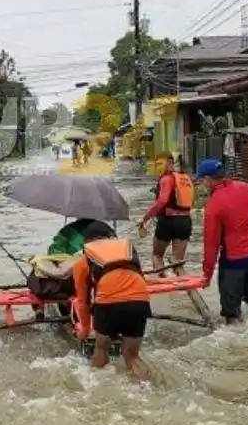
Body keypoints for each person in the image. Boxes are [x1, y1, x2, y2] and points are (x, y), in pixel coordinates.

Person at [72, 229, 151, 381]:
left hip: (108, 303)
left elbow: (82, 302)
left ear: (87, 245)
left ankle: (96, 387)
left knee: (101, 348)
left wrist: (86, 329)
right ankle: (146, 388)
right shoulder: (128, 252)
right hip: (139, 301)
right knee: (132, 356)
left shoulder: (82, 261)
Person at [195, 158, 248, 326]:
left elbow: (211, 244)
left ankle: (236, 347)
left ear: (209, 179)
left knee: (231, 312)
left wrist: (207, 274)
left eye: (201, 180)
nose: (202, 185)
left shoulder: (214, 204)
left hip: (233, 262)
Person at [138, 155, 195, 276]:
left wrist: (145, 218)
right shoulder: (185, 179)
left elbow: (162, 201)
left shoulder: (166, 179)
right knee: (177, 262)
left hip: (167, 221)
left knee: (157, 255)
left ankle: (164, 285)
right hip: (185, 221)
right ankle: (186, 289)